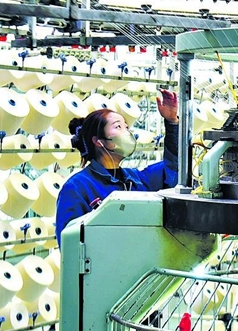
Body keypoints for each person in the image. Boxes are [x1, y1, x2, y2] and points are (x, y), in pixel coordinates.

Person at [55, 88, 179, 244]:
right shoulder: (77, 188)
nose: (127, 133)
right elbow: (69, 244)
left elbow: (173, 166)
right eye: (118, 127)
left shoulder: (137, 179)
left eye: (126, 127)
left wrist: (172, 122)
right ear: (99, 141)